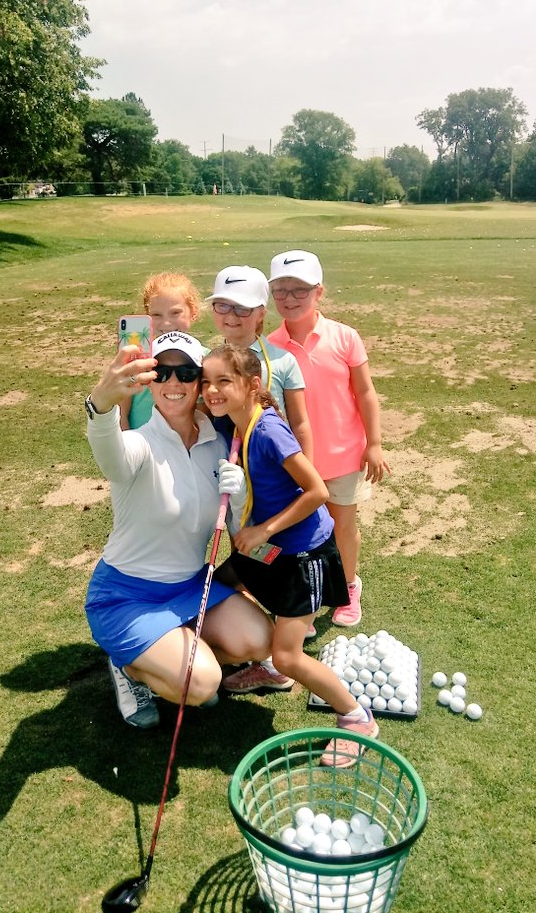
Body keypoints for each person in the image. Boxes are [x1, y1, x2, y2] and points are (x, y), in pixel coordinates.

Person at [201, 344, 380, 767]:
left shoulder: (267, 431)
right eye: (206, 382)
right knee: (217, 586)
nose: (212, 391)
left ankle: (356, 717)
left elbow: (317, 490)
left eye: (224, 381)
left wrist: (263, 528)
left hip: (304, 556)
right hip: (269, 550)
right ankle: (271, 671)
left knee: (289, 653)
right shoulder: (234, 425)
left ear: (252, 384)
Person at [84, 330, 273, 728]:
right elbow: (110, 458)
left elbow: (239, 529)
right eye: (163, 373)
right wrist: (100, 405)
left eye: (186, 373)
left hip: (190, 587)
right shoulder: (138, 444)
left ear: (200, 384)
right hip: (127, 595)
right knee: (204, 683)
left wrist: (239, 497)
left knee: (259, 639)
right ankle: (130, 666)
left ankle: (167, 653)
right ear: (150, 381)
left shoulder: (219, 445)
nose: (174, 383)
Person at [206, 265, 315, 694]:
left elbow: (301, 424)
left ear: (260, 314)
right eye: (222, 306)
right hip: (223, 485)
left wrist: (306, 475)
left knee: (264, 561)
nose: (232, 316)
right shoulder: (205, 360)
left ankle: (279, 650)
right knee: (240, 563)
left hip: (268, 493)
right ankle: (265, 645)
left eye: (242, 309)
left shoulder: (283, 361)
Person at [267, 250, 390, 629]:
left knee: (342, 525)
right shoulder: (269, 346)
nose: (289, 298)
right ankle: (305, 593)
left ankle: (349, 585)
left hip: (342, 455)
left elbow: (365, 392)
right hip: (295, 460)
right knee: (301, 531)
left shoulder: (344, 337)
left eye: (300, 290)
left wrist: (374, 443)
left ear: (319, 292)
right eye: (281, 290)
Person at [120, 272, 201, 430]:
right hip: (142, 449)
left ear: (193, 312)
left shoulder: (204, 358)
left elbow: (205, 417)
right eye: (156, 315)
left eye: (175, 313)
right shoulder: (134, 362)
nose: (166, 323)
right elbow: (121, 413)